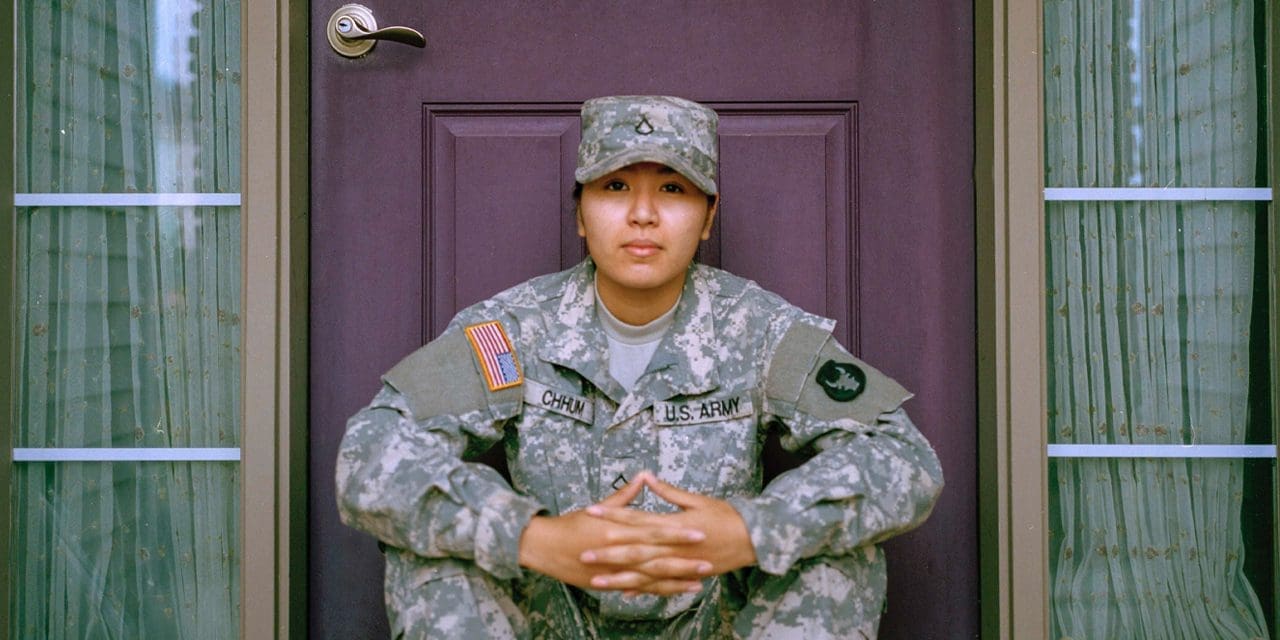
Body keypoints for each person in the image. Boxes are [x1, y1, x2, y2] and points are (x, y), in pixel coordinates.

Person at [336, 95, 944, 639]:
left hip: (715, 618)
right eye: (615, 187)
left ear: (708, 218)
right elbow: (371, 453)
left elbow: (904, 458)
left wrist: (753, 529)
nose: (644, 215)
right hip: (555, 613)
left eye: (673, 189)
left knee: (838, 557)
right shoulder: (514, 329)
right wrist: (532, 538)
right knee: (433, 552)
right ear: (581, 214)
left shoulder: (761, 330)